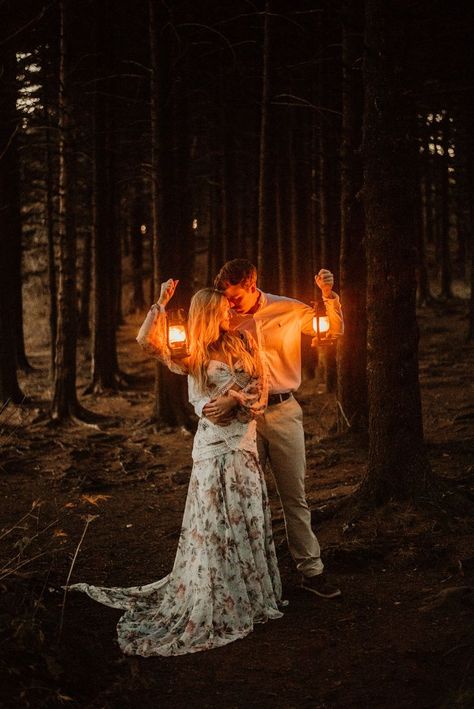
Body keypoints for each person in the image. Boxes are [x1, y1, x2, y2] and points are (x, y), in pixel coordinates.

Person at [66, 285, 284, 657]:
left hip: (243, 443)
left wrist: (236, 401)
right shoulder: (192, 353)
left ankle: (250, 595)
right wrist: (161, 306)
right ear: (207, 315)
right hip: (213, 448)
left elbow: (261, 389)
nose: (230, 315)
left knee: (247, 518)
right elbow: (147, 343)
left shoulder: (244, 341)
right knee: (215, 524)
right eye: (222, 311)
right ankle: (216, 595)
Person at [186, 260, 344, 599]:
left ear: (252, 285)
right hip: (240, 423)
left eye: (235, 298)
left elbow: (332, 329)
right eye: (225, 299)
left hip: (284, 410)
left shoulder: (287, 308)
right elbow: (196, 365)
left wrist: (329, 297)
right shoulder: (223, 319)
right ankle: (246, 581)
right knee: (243, 501)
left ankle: (311, 571)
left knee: (294, 495)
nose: (230, 305)